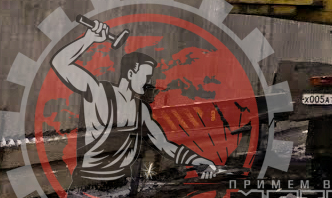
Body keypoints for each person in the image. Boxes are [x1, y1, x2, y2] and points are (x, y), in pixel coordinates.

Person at [51, 19, 219, 183]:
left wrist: (199, 160)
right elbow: (60, 63)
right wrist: (89, 39)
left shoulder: (141, 109)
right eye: (146, 76)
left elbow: (163, 144)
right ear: (131, 73)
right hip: (89, 184)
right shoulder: (98, 92)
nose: (149, 81)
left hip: (122, 185)